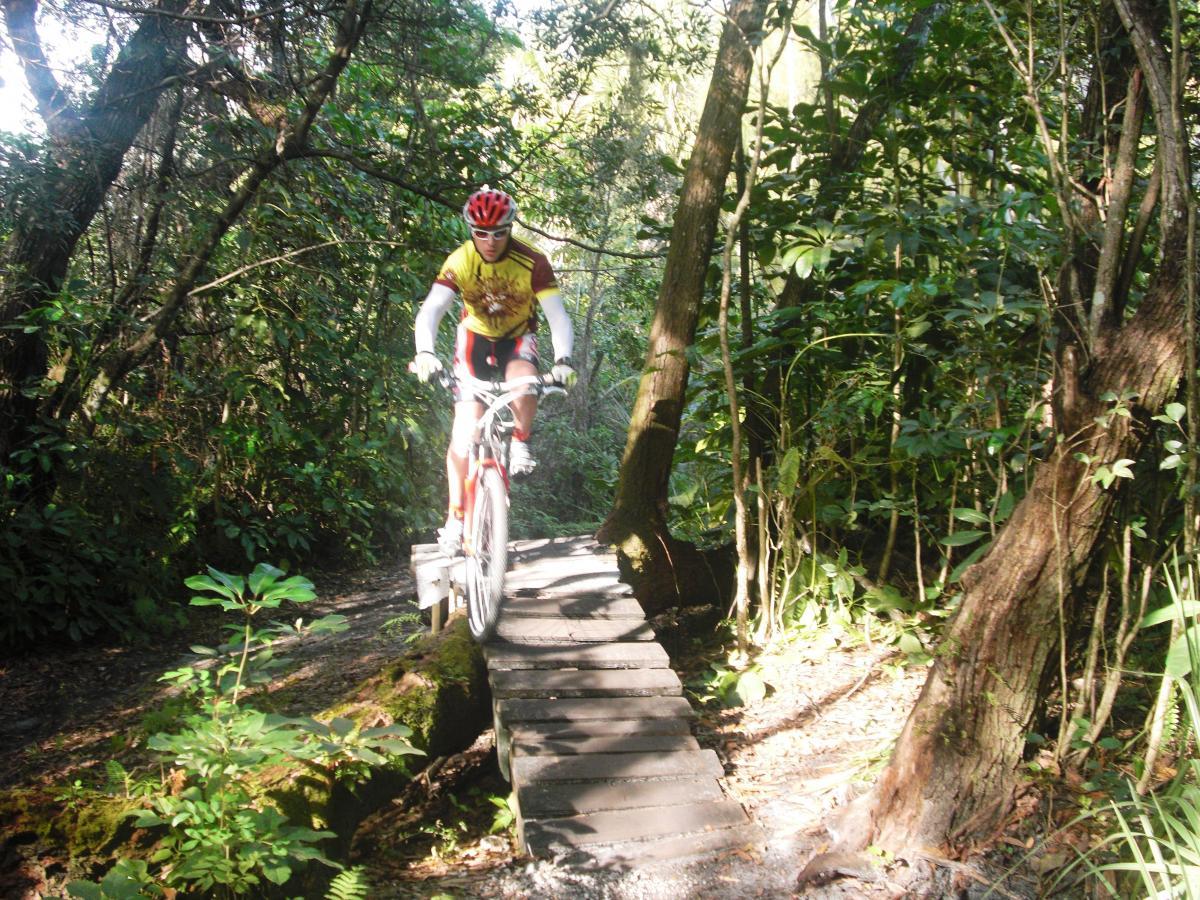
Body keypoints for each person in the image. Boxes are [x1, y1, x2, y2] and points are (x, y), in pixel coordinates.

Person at [412, 186, 577, 555]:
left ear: (510, 229)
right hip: (474, 343)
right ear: (471, 230)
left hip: (517, 340)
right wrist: (425, 352)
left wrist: (563, 360)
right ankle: (455, 518)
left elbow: (557, 316)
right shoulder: (460, 260)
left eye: (499, 232)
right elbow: (433, 309)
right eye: (481, 233)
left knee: (525, 383)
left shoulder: (533, 262)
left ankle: (520, 441)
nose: (490, 241)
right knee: (461, 437)